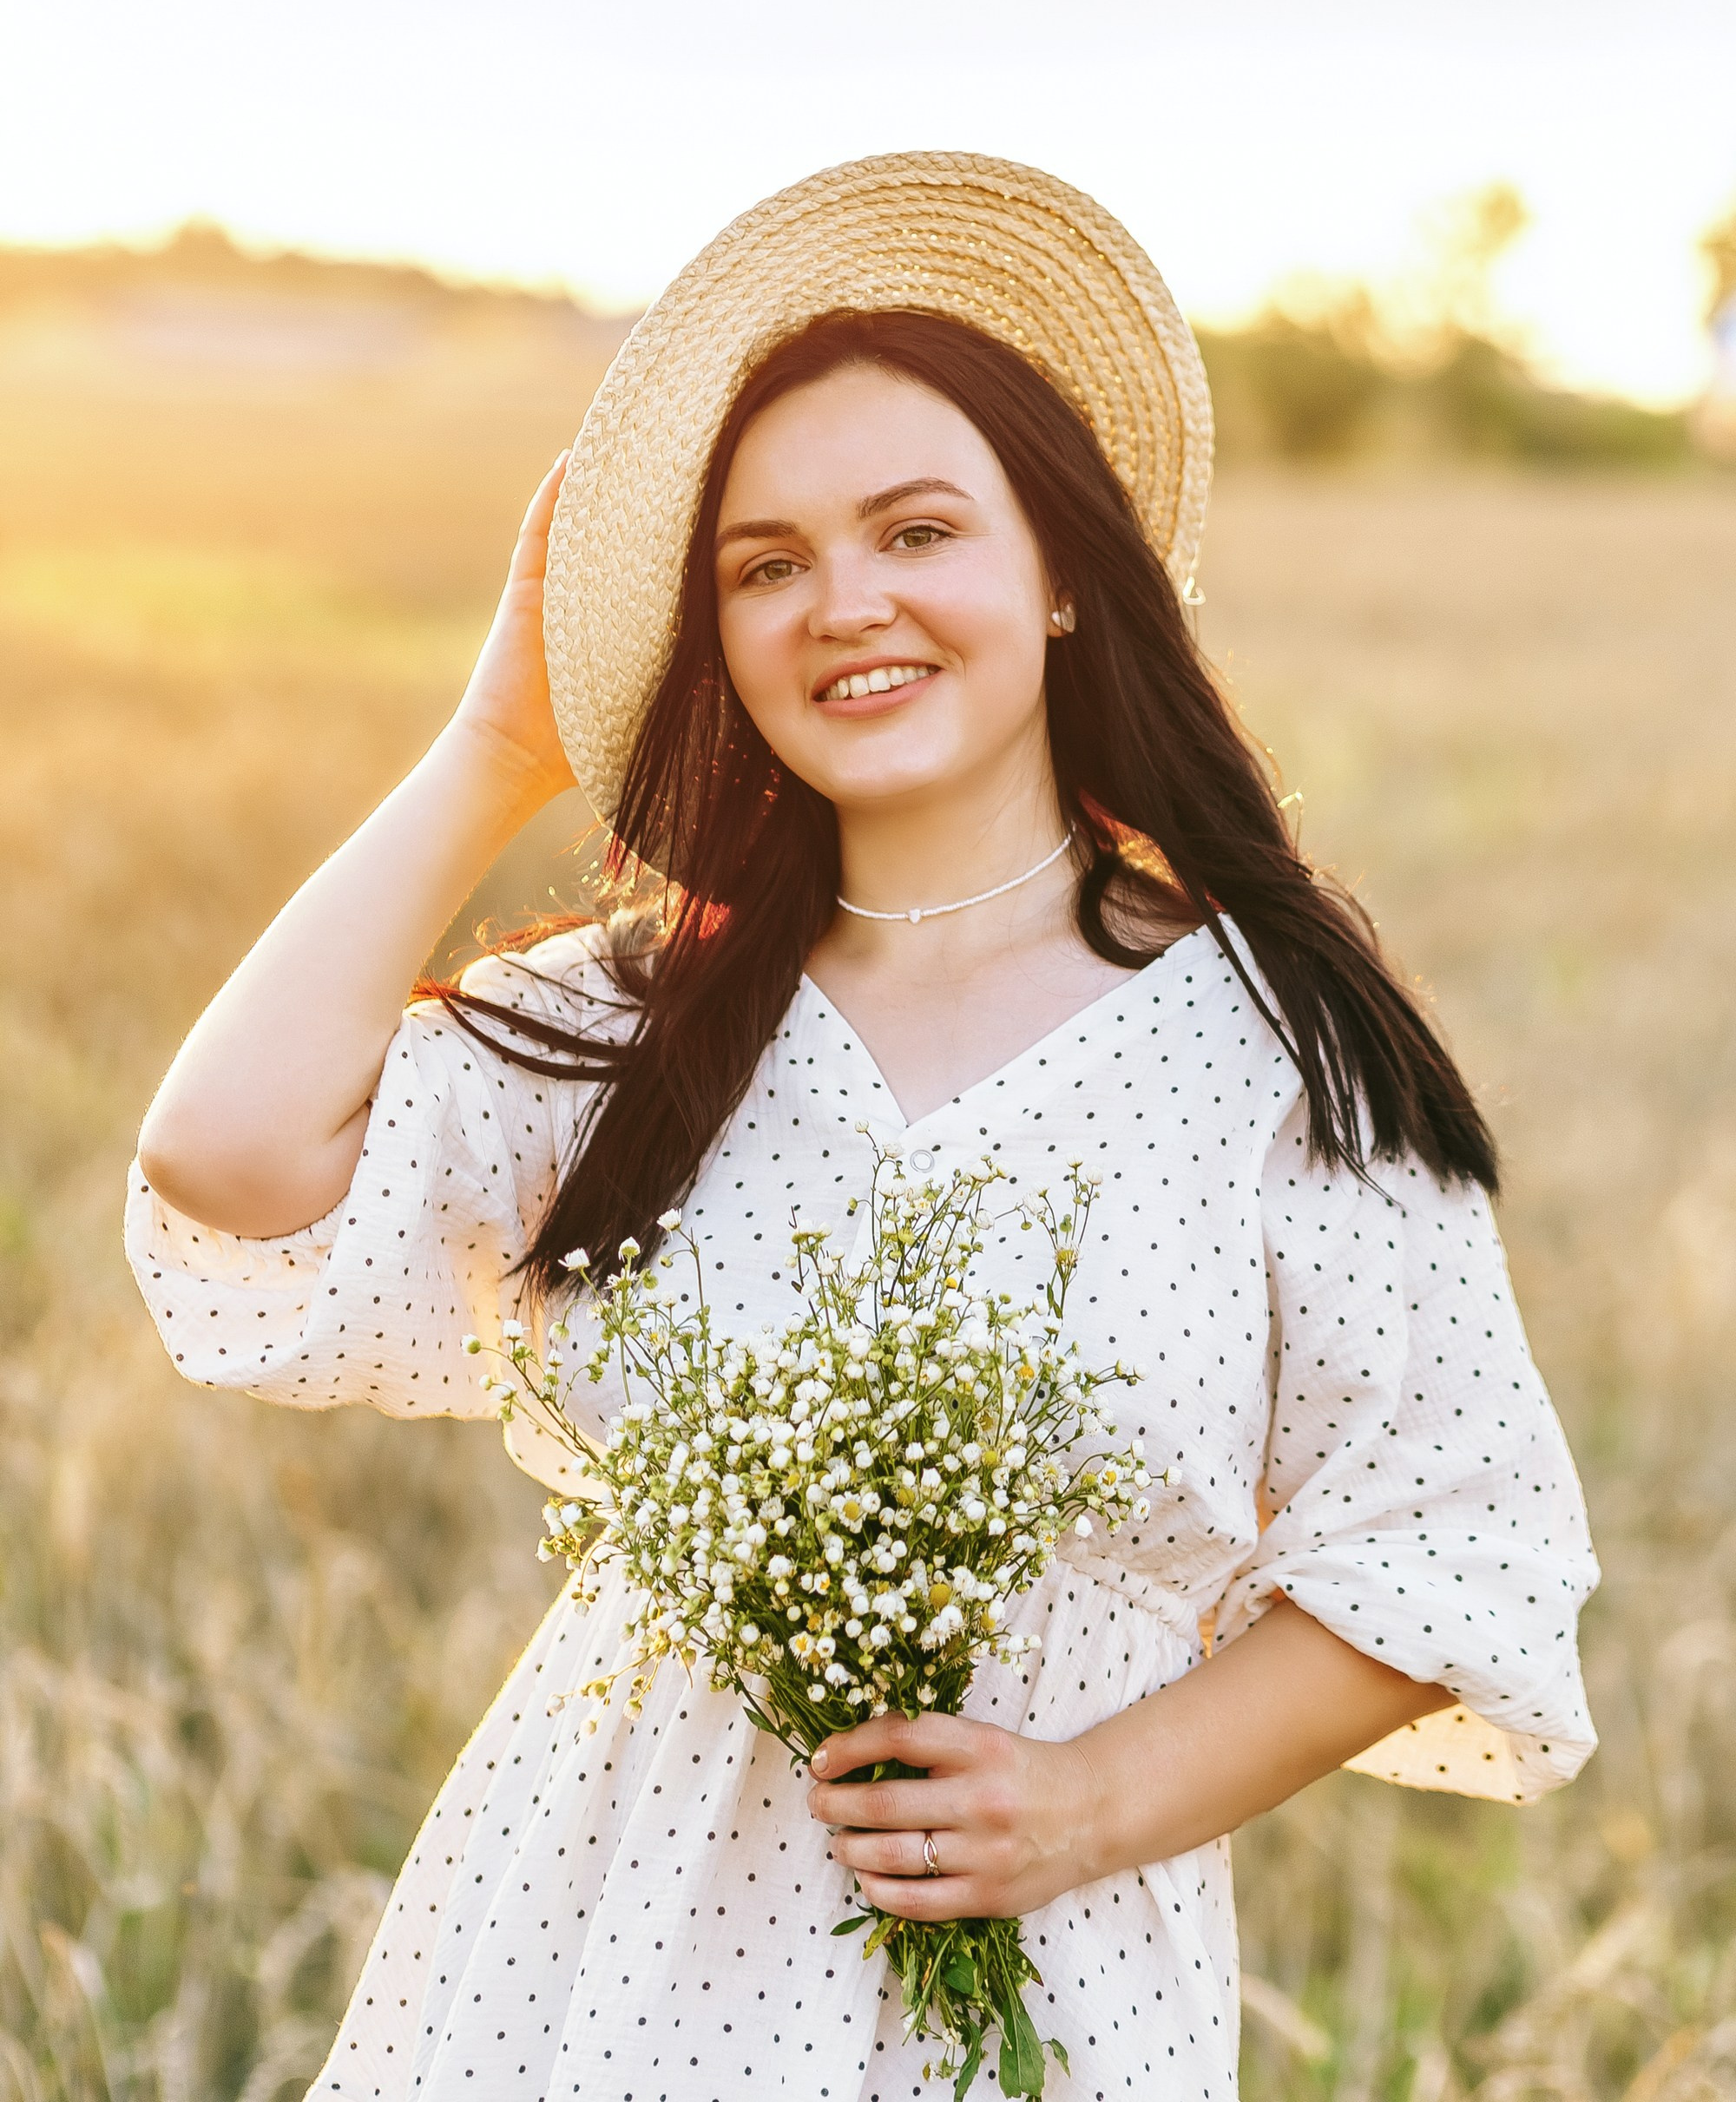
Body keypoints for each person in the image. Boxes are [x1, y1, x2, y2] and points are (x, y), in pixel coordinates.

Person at [128, 154, 1598, 2102]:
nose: (847, 607)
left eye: (918, 530)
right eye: (765, 565)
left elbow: (1453, 1546)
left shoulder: (1277, 1048)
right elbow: (225, 1157)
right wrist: (498, 741)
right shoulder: (641, 1014)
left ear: (1066, 571)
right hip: (577, 1959)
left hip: (1041, 1985)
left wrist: (1088, 1803)